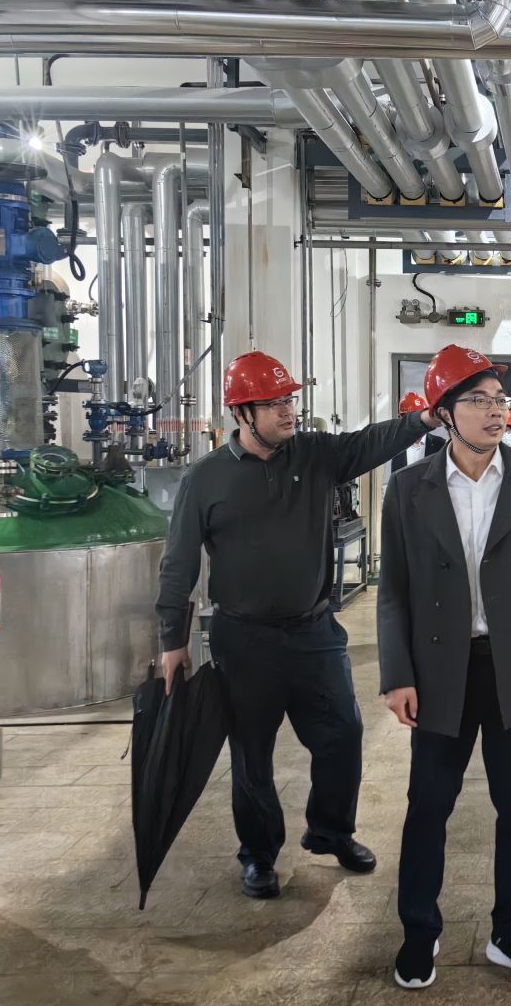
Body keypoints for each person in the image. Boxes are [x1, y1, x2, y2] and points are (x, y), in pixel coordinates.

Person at [155, 351, 435, 900]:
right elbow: (179, 561)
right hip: (243, 640)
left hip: (314, 634)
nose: (288, 411)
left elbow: (370, 442)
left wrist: (423, 419)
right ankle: (259, 855)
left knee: (343, 735)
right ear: (243, 412)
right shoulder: (205, 478)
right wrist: (172, 640)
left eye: (290, 400)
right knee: (251, 753)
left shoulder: (316, 454)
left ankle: (331, 831)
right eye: (274, 403)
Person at [379, 345, 511, 991]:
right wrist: (396, 673)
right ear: (444, 413)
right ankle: (419, 931)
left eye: (500, 400)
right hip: (440, 669)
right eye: (478, 400)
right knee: (427, 806)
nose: (495, 411)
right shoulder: (409, 488)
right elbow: (393, 591)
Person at [391, 392, 446, 473]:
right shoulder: (394, 447)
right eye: (410, 418)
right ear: (400, 418)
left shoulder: (440, 445)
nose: (414, 423)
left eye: (417, 417)